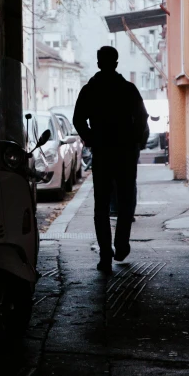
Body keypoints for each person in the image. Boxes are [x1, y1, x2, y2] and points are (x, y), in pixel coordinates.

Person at [73, 46, 148, 274]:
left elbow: (78, 119)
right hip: (124, 153)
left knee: (101, 206)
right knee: (126, 201)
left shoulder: (90, 89)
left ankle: (106, 255)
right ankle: (121, 245)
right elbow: (142, 116)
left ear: (98, 63)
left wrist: (91, 139)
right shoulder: (128, 89)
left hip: (103, 154)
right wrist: (134, 141)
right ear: (116, 63)